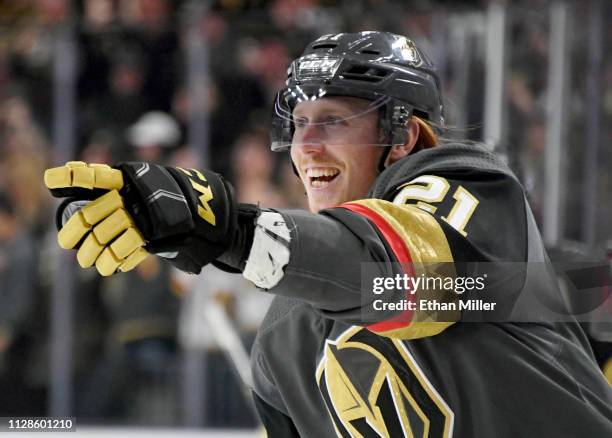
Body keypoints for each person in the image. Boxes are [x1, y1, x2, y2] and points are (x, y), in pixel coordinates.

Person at [44, 32, 612, 436]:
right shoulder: (282, 339)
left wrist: (229, 232)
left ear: (405, 136)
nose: (308, 145)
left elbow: (395, 278)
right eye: (299, 125)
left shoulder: (471, 189)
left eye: (335, 121)